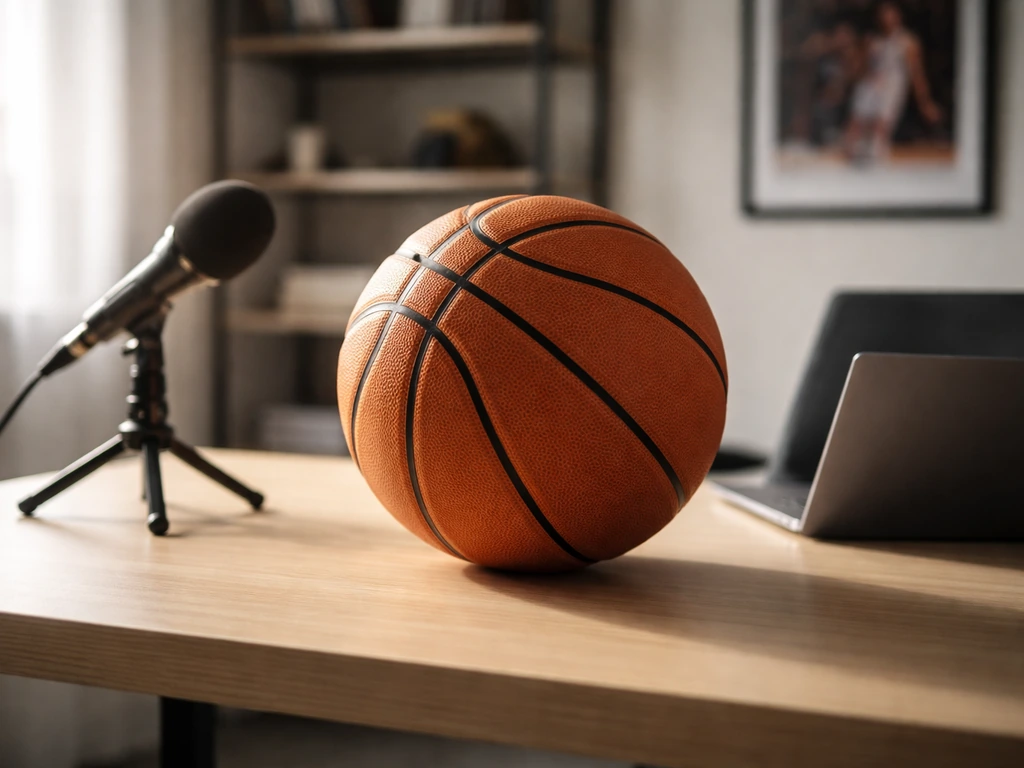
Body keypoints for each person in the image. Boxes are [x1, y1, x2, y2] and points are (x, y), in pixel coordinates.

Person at [844, 1, 942, 164]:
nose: (886, 18)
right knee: (858, 120)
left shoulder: (907, 41)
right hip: (872, 82)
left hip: (893, 84)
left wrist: (925, 102)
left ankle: (876, 155)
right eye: (883, 14)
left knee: (881, 124)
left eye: (890, 14)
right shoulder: (872, 40)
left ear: (898, 16)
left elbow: (916, 73)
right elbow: (860, 67)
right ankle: (852, 154)